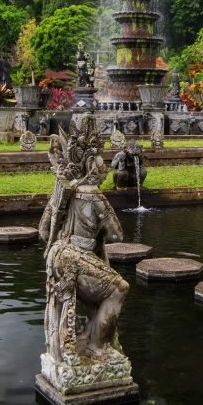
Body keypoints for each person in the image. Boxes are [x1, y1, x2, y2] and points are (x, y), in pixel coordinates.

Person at [39, 115, 129, 364]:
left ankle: (87, 336)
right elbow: (118, 235)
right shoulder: (94, 195)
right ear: (90, 164)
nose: (105, 170)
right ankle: (97, 348)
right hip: (76, 257)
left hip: (56, 255)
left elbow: (43, 232)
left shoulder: (62, 192)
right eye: (101, 165)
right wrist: (97, 230)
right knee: (119, 289)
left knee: (98, 292)